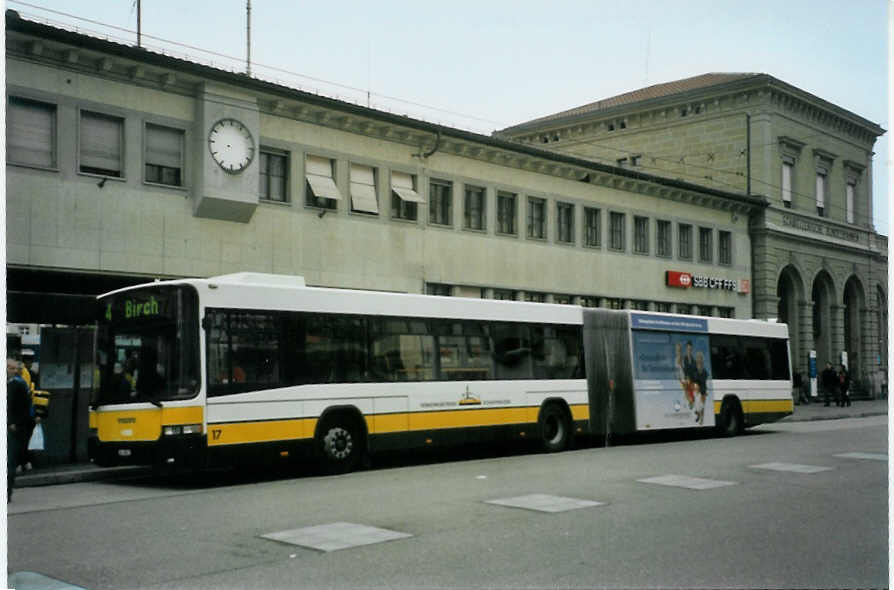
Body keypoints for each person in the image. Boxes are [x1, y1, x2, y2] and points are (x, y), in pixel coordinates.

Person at [7, 357, 32, 502]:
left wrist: (14, 424)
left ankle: (6, 492)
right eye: (11, 368)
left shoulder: (19, 385)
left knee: (9, 462)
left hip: (12, 429)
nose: (14, 371)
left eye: (15, 368)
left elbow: (24, 409)